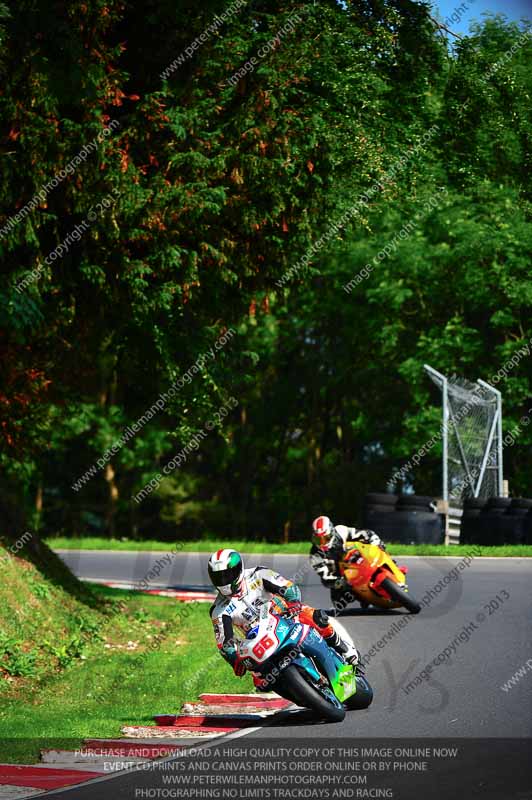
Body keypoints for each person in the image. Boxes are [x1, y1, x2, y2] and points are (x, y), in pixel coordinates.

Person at [208, 549, 359, 688]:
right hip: (259, 638)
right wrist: (235, 660)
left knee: (316, 617)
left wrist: (293, 602)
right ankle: (299, 693)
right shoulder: (219, 610)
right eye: (218, 578)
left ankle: (345, 650)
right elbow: (224, 643)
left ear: (238, 569)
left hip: (286, 615)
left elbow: (288, 587)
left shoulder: (258, 574)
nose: (224, 581)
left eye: (227, 575)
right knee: (261, 681)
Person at [310, 515, 385, 610]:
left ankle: (390, 568)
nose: (322, 542)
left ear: (332, 531)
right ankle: (365, 599)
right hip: (342, 576)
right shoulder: (315, 556)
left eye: (326, 538)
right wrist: (340, 582)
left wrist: (376, 542)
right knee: (338, 604)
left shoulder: (341, 531)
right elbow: (325, 578)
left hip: (359, 557)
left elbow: (364, 533)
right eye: (318, 540)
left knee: (380, 548)